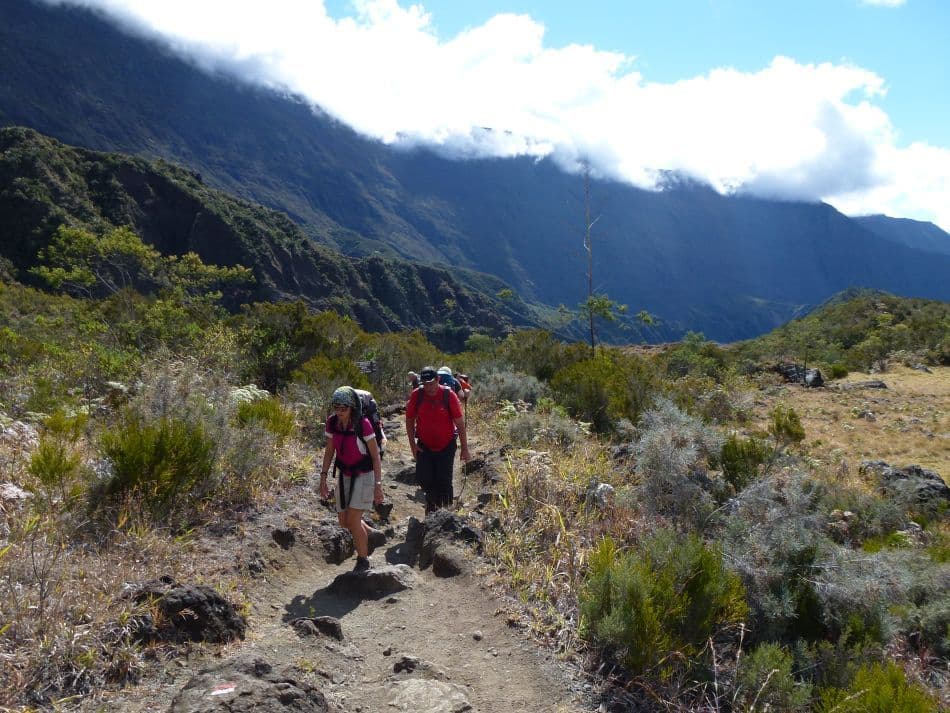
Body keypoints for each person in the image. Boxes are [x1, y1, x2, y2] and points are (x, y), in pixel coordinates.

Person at [319, 386, 383, 572]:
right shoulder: (332, 423)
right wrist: (323, 477)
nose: (339, 412)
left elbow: (375, 456)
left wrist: (378, 485)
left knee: (353, 521)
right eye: (336, 407)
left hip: (364, 475)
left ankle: (363, 560)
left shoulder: (362, 424)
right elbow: (330, 451)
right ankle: (370, 535)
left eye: (343, 409)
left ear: (352, 408)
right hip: (344, 474)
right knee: (344, 522)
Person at [406, 366, 471, 513]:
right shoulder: (417, 395)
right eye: (426, 384)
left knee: (444, 479)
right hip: (424, 445)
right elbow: (409, 420)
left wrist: (465, 449)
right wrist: (412, 445)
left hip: (446, 445)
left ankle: (445, 514)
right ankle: (433, 504)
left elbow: (460, 424)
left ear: (438, 380)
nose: (429, 387)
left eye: (432, 383)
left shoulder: (449, 395)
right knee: (423, 478)